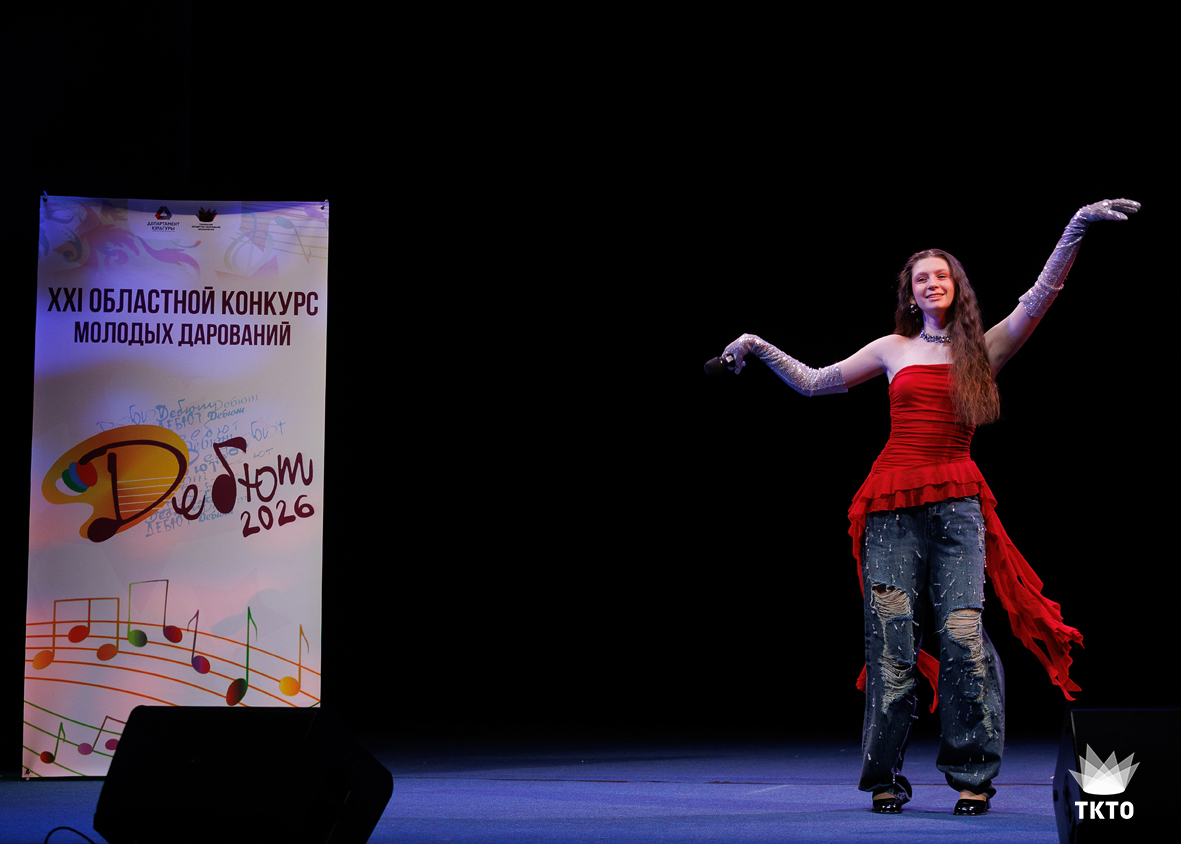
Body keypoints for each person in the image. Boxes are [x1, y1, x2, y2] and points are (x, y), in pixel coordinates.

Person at [719, 198, 1140, 816]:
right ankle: (883, 775)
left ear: (956, 287)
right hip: (890, 503)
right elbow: (815, 381)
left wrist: (1075, 226)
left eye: (942, 275)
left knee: (963, 634)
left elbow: (1041, 296)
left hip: (958, 504)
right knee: (891, 639)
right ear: (911, 294)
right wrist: (756, 344)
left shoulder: (985, 349)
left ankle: (973, 774)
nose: (932, 283)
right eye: (921, 278)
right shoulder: (892, 348)